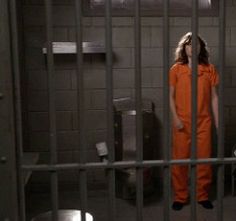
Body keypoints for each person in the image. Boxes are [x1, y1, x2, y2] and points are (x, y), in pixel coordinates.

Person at [169, 32, 219, 211]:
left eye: (196, 45)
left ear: (201, 48)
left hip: (203, 123)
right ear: (184, 47)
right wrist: (175, 119)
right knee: (180, 160)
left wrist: (217, 122)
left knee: (204, 160)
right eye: (189, 44)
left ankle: (202, 195)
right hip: (182, 123)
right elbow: (171, 97)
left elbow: (214, 98)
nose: (193, 47)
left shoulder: (209, 69)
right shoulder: (176, 69)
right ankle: (181, 196)